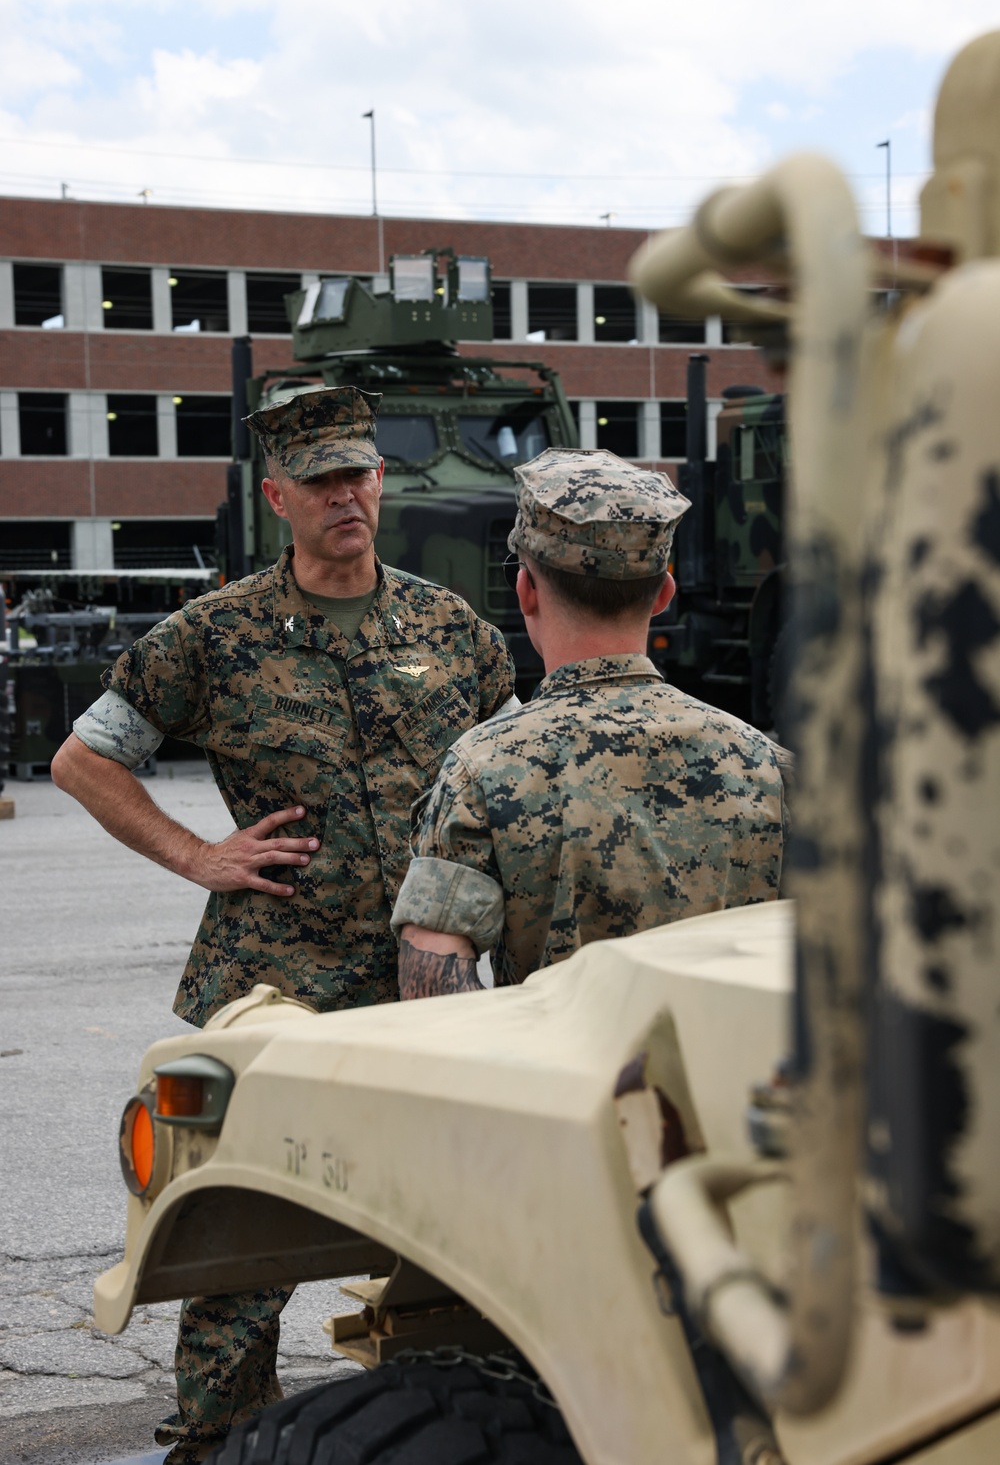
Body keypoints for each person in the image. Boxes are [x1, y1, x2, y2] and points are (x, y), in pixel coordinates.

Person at [51, 385, 515, 1463]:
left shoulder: (456, 631)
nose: (345, 495)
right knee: (239, 1234)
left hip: (425, 984)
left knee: (444, 1215)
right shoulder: (213, 636)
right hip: (275, 981)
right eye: (320, 482)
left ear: (381, 481)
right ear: (277, 497)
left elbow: (505, 776)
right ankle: (215, 1439)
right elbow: (83, 758)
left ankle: (442, 1419)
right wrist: (198, 854)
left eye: (358, 474)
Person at [391, 448, 789, 997]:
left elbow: (429, 985)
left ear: (526, 590)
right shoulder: (764, 763)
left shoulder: (482, 770)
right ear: (664, 596)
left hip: (561, 1079)